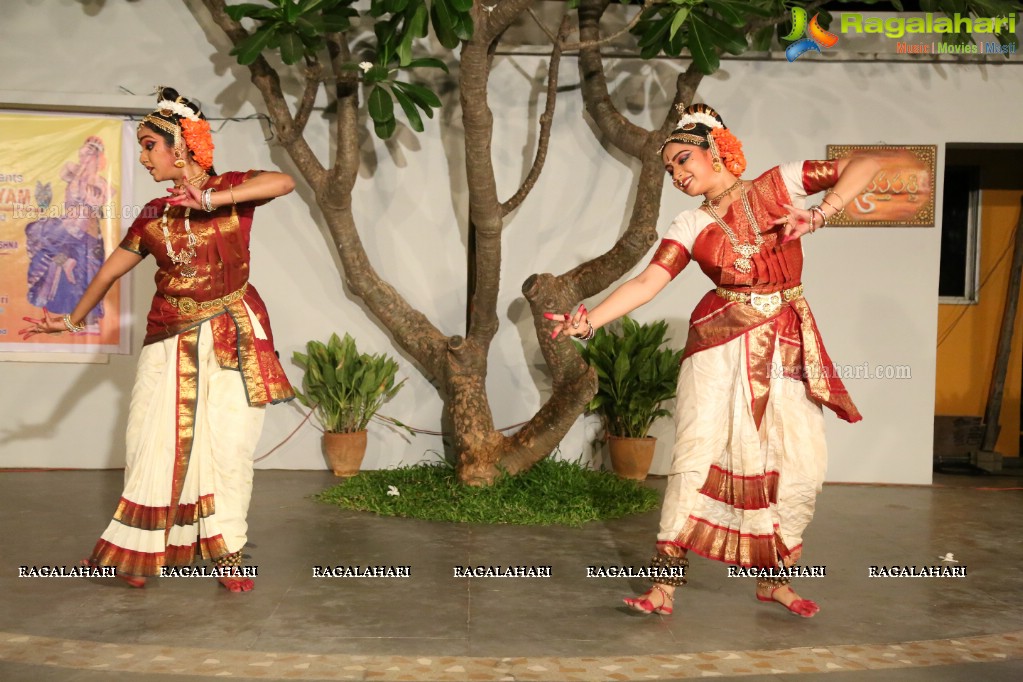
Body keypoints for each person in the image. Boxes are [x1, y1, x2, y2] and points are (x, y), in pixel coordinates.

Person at [547, 103, 881, 617]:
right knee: (696, 457)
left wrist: (820, 213)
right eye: (671, 169)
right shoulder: (689, 223)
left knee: (798, 465)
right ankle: (663, 585)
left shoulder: (780, 185)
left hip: (785, 343)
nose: (679, 175)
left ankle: (774, 579)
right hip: (719, 344)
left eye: (684, 160)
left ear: (716, 150)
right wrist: (589, 320)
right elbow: (647, 282)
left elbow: (869, 164)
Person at [20, 87, 296, 592]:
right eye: (143, 147)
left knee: (230, 444)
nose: (144, 157)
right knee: (150, 441)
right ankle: (140, 552)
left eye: (150, 145)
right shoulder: (153, 214)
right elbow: (107, 273)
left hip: (232, 334)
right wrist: (73, 319)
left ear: (182, 147)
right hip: (169, 336)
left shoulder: (233, 188)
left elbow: (283, 182)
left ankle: (227, 552)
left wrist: (211, 197)